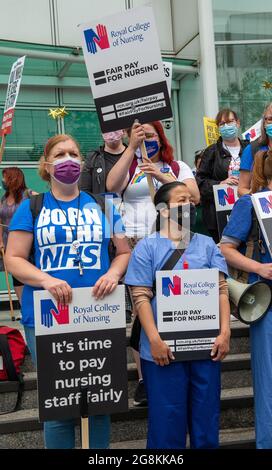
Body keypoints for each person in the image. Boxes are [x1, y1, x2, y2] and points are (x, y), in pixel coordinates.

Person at [5, 134, 131, 449]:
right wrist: (45, 280)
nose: (69, 159)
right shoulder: (31, 207)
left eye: (74, 152)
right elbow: (13, 259)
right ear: (47, 165)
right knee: (58, 408)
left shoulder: (103, 204)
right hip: (49, 316)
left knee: (100, 405)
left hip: (97, 312)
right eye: (60, 154)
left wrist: (114, 273)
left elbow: (124, 252)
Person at [125, 181, 230, 449]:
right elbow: (140, 298)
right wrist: (154, 339)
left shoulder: (207, 245)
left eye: (191, 201)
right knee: (166, 422)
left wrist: (225, 333)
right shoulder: (146, 248)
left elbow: (221, 290)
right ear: (163, 209)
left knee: (206, 420)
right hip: (162, 350)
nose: (189, 205)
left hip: (205, 348)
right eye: (181, 200)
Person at [107, 121, 200, 407]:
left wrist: (160, 175)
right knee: (142, 305)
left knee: (176, 300)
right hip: (137, 241)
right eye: (140, 135)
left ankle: (182, 357)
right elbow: (111, 187)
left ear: (161, 138)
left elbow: (194, 197)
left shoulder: (179, 167)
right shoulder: (131, 166)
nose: (146, 139)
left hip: (174, 241)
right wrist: (131, 149)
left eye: (150, 135)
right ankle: (146, 375)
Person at [221, 150, 272, 449]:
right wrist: (259, 268)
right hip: (265, 299)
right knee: (268, 380)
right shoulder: (249, 203)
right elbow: (226, 248)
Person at [196, 108, 249, 243]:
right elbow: (200, 181)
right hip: (220, 213)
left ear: (237, 123)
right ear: (218, 127)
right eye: (222, 124)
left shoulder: (250, 148)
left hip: (247, 207)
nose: (226, 126)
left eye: (230, 122)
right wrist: (219, 184)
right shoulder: (211, 152)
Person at [0, 167, 35, 306]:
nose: (2, 181)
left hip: (27, 240)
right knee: (16, 274)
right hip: (9, 241)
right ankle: (23, 306)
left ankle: (33, 304)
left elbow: (43, 206)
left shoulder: (29, 194)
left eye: (4, 177)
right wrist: (1, 241)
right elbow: (0, 222)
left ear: (13, 178)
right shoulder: (4, 198)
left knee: (28, 271)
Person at [238, 103, 272, 196]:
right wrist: (261, 198)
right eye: (270, 119)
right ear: (264, 123)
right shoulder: (252, 150)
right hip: (264, 208)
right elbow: (241, 189)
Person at [79, 129, 126, 195]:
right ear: (102, 133)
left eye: (115, 129)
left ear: (123, 131)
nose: (111, 133)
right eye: (106, 129)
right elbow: (85, 191)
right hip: (101, 203)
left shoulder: (135, 156)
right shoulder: (93, 158)